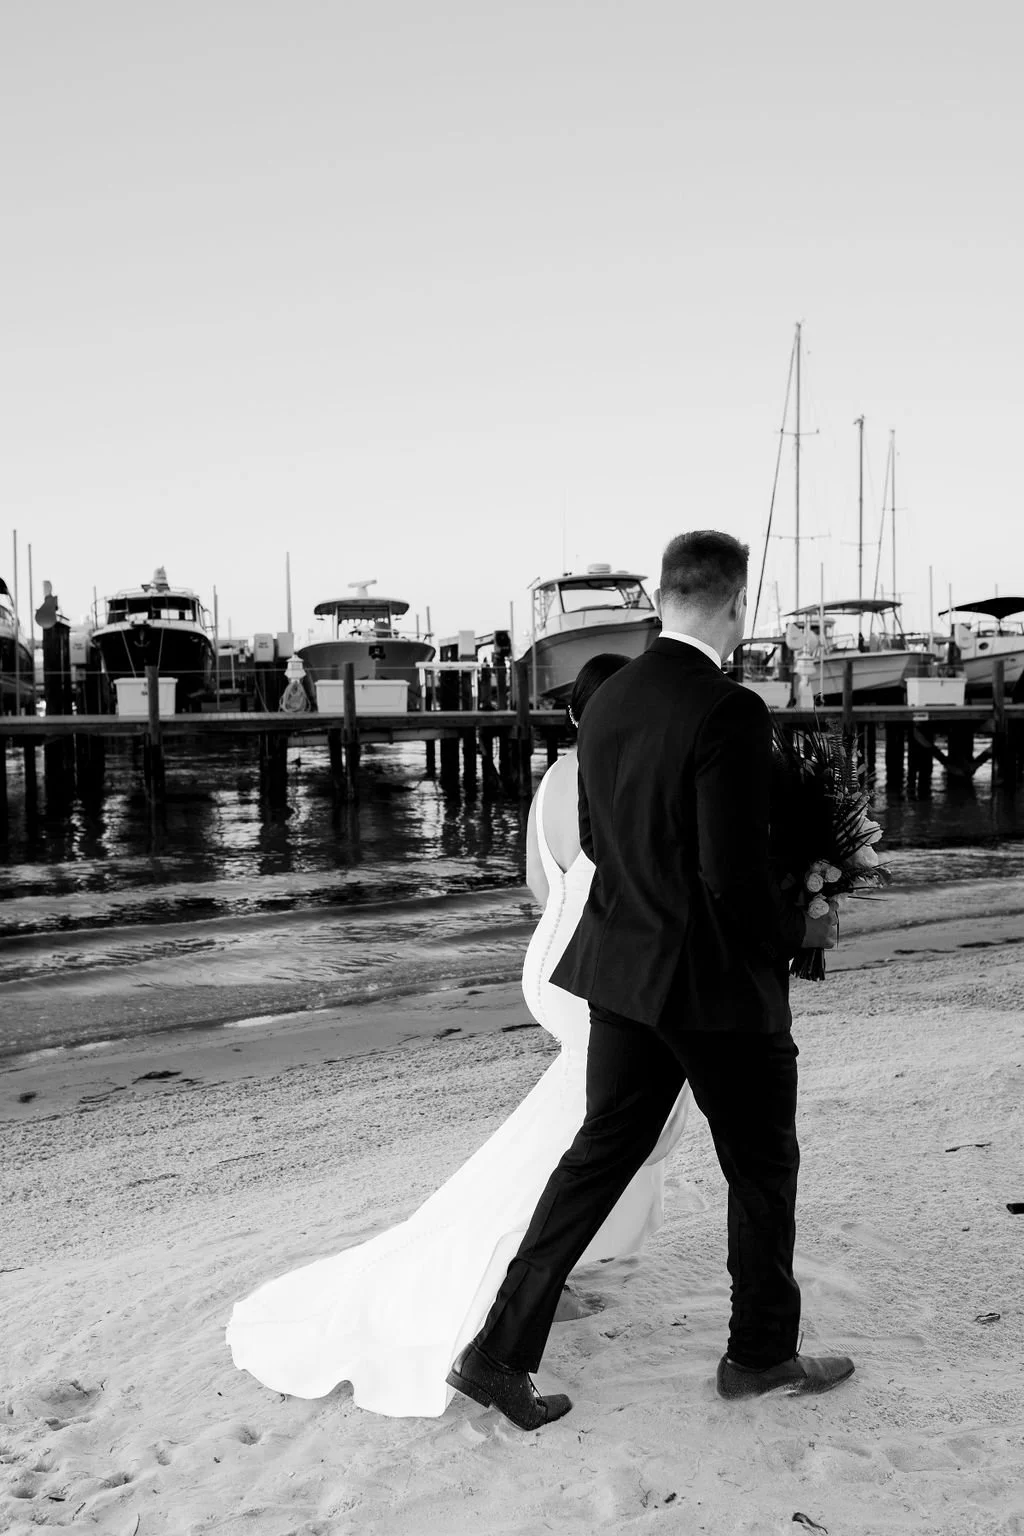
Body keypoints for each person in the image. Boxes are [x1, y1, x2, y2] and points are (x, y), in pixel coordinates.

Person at [448, 530, 851, 1432]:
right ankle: (759, 1356)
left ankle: (497, 1354)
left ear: (663, 598)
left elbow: (599, 845)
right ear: (737, 603)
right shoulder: (729, 709)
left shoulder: (610, 700)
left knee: (597, 1160)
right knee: (762, 1167)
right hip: (712, 986)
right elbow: (730, 875)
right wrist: (799, 929)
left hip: (623, 972)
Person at [225, 655, 689, 1417]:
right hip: (596, 970)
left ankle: (553, 1271)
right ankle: (516, 1280)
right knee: (589, 1132)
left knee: (595, 1122)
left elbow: (540, 883)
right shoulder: (620, 772)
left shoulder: (555, 777)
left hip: (550, 958)